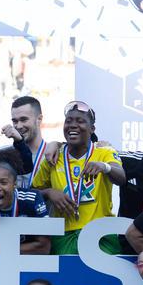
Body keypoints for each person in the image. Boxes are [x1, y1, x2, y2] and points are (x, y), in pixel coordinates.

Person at [32, 101, 124, 254]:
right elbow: (32, 193)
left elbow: (121, 178)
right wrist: (49, 192)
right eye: (68, 121)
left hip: (100, 235)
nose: (73, 125)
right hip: (63, 236)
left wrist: (104, 167)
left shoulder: (104, 152)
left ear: (92, 129)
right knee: (66, 278)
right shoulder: (53, 156)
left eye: (80, 121)